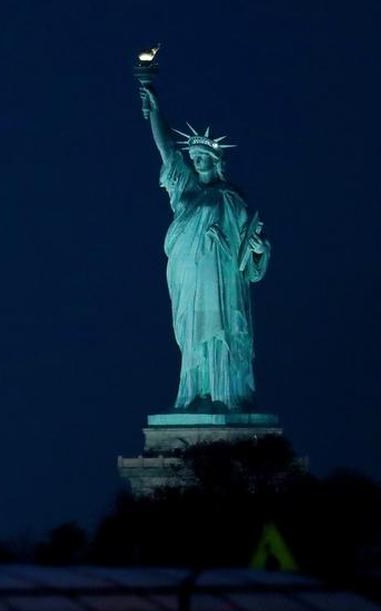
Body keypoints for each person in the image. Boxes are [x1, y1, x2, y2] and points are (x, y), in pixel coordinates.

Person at [139, 85, 270, 412]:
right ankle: (195, 392)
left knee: (222, 329)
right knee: (193, 333)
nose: (197, 161)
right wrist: (155, 111)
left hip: (222, 275)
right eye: (194, 157)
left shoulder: (230, 198)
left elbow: (249, 255)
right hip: (188, 274)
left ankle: (226, 395)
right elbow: (168, 151)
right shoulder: (185, 189)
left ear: (216, 161)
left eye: (203, 158)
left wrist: (258, 247)